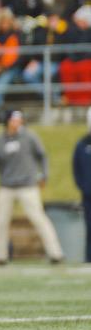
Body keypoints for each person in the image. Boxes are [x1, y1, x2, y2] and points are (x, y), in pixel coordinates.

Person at [0, 110, 64, 265]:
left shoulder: (29, 137)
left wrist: (44, 175)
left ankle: (56, 253)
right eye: (14, 120)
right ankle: (0, 256)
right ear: (7, 122)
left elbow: (42, 155)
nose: (17, 123)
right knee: (1, 222)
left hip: (27, 185)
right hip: (7, 186)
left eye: (19, 120)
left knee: (39, 218)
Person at [73, 108, 91, 263]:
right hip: (88, 194)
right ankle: (88, 258)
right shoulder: (82, 144)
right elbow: (76, 168)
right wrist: (83, 187)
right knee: (89, 227)